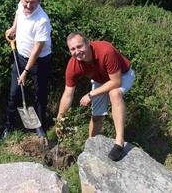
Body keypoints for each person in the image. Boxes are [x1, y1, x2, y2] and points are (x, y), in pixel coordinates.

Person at [56, 32, 135, 161]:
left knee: (115, 93)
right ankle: (91, 147)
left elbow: (116, 82)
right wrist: (59, 119)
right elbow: (68, 94)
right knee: (96, 116)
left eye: (80, 46)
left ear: (88, 43)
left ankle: (119, 142)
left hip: (122, 75)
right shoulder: (73, 65)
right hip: (100, 79)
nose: (77, 51)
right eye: (73, 49)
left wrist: (91, 94)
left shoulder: (106, 51)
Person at [1, 0, 52, 140]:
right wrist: (14, 28)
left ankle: (39, 126)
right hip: (20, 56)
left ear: (38, 2)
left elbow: (37, 49)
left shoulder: (42, 20)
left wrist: (26, 72)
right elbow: (18, 14)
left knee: (40, 94)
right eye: (26, 2)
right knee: (13, 93)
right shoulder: (20, 6)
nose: (28, 6)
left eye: (33, 3)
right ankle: (8, 126)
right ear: (22, 0)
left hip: (40, 61)